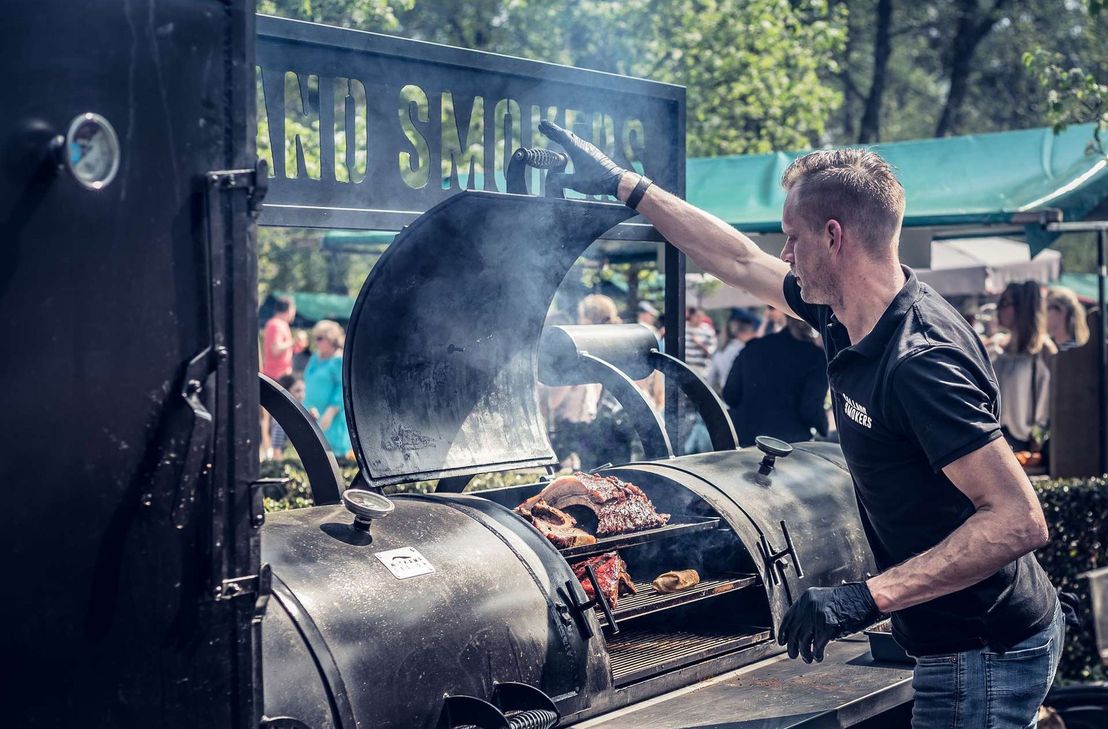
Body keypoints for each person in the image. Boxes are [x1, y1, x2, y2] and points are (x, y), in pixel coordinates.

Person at [540, 119, 1062, 729]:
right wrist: (628, 186)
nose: (784, 254)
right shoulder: (842, 312)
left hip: (983, 650)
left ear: (833, 236)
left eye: (792, 237)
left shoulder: (919, 361)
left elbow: (1018, 519)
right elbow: (736, 258)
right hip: (952, 640)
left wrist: (865, 598)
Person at [723, 317, 827, 447]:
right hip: (789, 445)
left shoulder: (752, 348)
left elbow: (730, 395)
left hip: (747, 441)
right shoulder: (816, 357)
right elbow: (810, 409)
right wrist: (825, 427)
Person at [993, 282, 1056, 452]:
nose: (998, 309)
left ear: (1022, 307)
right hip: (997, 438)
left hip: (1029, 443)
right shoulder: (999, 347)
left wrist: (1038, 439)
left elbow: (1050, 401)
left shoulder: (1044, 350)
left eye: (1005, 303)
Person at [304, 319, 352, 458]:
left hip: (332, 419)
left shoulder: (339, 360)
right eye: (315, 338)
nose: (316, 342)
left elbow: (342, 388)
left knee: (332, 457)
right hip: (312, 414)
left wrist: (331, 411)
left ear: (331, 339)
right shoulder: (314, 358)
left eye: (320, 338)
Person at [706, 308, 760, 393]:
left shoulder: (720, 352)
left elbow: (710, 381)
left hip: (727, 400)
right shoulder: (747, 351)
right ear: (750, 330)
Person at [270, 374, 304, 460]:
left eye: (303, 390)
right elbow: (276, 452)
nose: (302, 395)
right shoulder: (281, 419)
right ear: (287, 392)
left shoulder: (297, 414)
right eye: (297, 391)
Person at [1046, 286, 1089, 352]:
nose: (1042, 313)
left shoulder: (1077, 351)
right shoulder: (1046, 347)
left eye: (1047, 308)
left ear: (1062, 311)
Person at [683, 306, 717, 377]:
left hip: (701, 370)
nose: (700, 318)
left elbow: (711, 351)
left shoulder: (708, 330)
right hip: (685, 368)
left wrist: (699, 344)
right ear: (691, 316)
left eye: (702, 316)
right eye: (698, 316)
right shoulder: (683, 328)